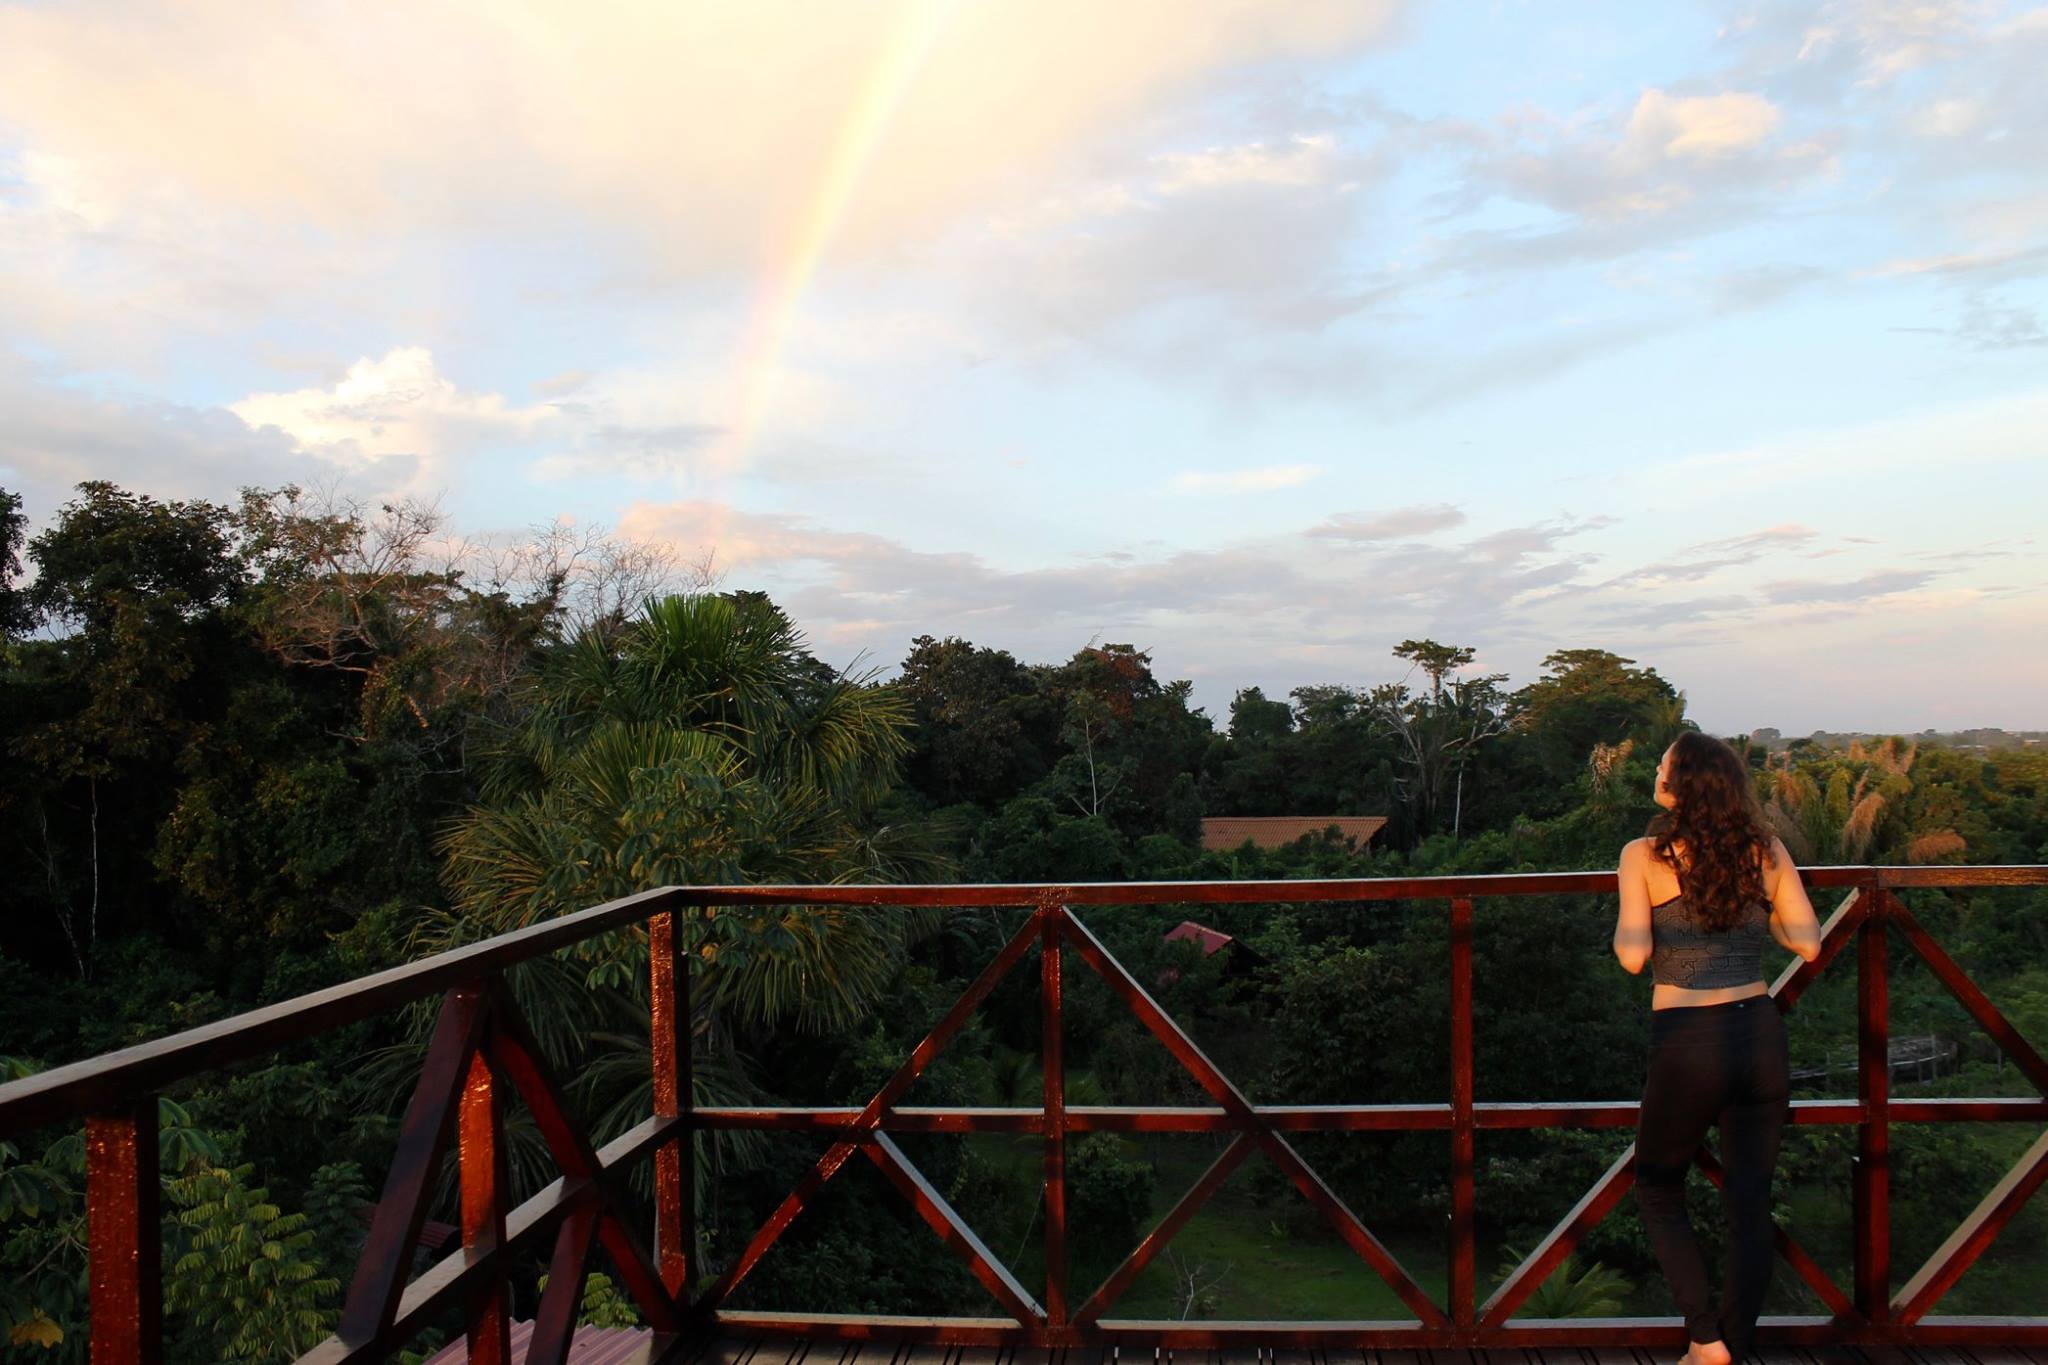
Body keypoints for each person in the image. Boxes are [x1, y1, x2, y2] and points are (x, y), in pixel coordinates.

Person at [1612, 732, 1822, 1365]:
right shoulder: (1765, 850)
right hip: (1758, 1034)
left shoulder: (1643, 855)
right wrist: (1758, 912)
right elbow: (1807, 941)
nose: (1655, 770)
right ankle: (1738, 1341)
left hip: (1689, 1038)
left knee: (1656, 1185)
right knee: (1750, 1197)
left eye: (1663, 765)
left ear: (1682, 783)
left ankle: (1706, 1340)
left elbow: (1633, 956)